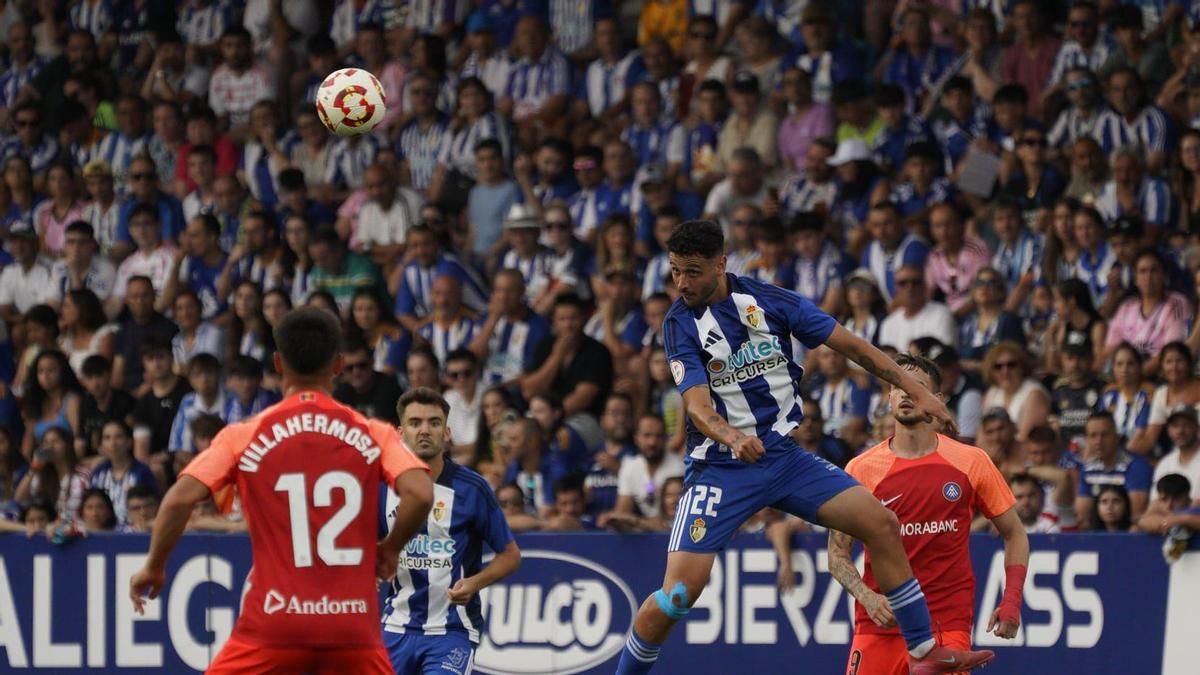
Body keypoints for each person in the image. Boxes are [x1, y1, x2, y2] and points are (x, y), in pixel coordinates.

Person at [615, 219, 993, 674]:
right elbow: (697, 408)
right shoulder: (679, 323)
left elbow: (855, 348)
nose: (681, 283)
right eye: (675, 271)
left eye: (692, 271)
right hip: (719, 467)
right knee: (678, 595)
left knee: (881, 523)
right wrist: (734, 437)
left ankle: (922, 651)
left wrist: (918, 391)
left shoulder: (771, 302)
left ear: (721, 264)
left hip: (783, 457)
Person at [129, 307, 434, 674]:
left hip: (274, 623)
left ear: (277, 363)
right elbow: (420, 493)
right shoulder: (373, 432)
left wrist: (154, 566)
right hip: (351, 626)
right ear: (338, 365)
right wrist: (391, 548)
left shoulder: (244, 435)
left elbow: (178, 500)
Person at [828, 354, 1027, 675]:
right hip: (880, 626)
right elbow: (837, 555)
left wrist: (1012, 600)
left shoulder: (971, 461)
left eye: (916, 387)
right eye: (898, 386)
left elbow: (1014, 533)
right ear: (889, 397)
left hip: (946, 626)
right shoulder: (860, 469)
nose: (906, 393)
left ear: (937, 399)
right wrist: (867, 598)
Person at [382, 387, 521, 674]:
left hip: (452, 631)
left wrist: (475, 583)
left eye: (434, 423)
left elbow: (510, 555)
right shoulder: (381, 488)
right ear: (400, 433)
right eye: (415, 422)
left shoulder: (473, 488)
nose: (424, 430)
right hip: (394, 627)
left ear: (446, 433)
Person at [1074, 411, 1153, 529]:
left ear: (1116, 437)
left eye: (1105, 435)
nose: (1099, 441)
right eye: (1093, 436)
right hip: (1096, 533)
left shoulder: (1136, 466)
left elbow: (1135, 516)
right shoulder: (1087, 468)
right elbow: (1082, 516)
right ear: (1087, 440)